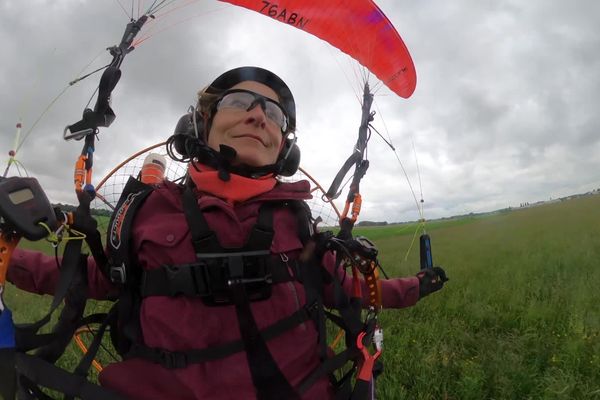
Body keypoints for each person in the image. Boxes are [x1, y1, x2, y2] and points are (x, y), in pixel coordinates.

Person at [7, 66, 448, 399]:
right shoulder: (147, 211)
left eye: (272, 112)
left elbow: (353, 287)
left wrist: (416, 286)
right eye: (240, 103)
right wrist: (9, 257)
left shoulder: (298, 222)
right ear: (201, 123)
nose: (258, 116)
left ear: (285, 146)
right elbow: (91, 277)